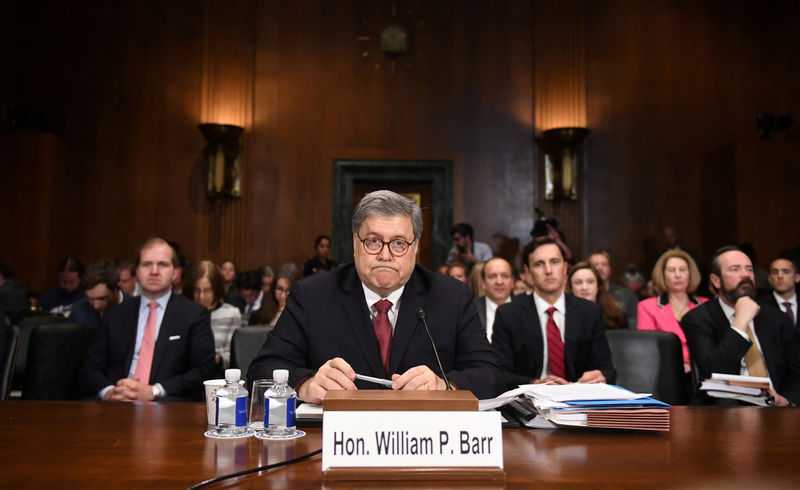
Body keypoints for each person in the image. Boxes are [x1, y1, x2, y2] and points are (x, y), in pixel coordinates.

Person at [247, 190, 501, 403]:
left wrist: (446, 386)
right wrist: (305, 384)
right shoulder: (312, 295)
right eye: (373, 241)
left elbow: (489, 374)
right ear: (356, 244)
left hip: (425, 443)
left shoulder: (450, 297)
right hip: (333, 443)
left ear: (415, 248)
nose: (385, 255)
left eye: (399, 243)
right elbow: (261, 371)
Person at [79, 238, 215, 402]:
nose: (154, 271)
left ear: (175, 273)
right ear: (137, 272)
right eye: (147, 264)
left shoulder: (194, 314)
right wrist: (109, 392)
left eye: (163, 265)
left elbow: (203, 371)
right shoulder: (114, 315)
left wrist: (155, 391)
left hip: (167, 406)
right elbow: (90, 369)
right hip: (116, 404)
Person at [680, 246, 800, 406]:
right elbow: (712, 373)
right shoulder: (698, 319)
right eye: (735, 269)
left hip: (777, 406)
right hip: (728, 408)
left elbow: (796, 373)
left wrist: (785, 400)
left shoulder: (777, 318)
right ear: (716, 281)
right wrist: (740, 323)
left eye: (749, 269)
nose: (745, 275)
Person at [493, 238, 616, 391]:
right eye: (539, 264)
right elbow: (499, 374)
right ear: (528, 273)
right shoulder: (508, 314)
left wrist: (601, 376)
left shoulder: (589, 312)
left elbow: (609, 371)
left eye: (554, 262)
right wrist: (534, 385)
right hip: (528, 404)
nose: (548, 270)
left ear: (565, 268)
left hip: (578, 401)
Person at [637, 250, 707, 373]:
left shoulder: (706, 305)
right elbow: (647, 350)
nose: (678, 275)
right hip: (665, 374)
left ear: (691, 273)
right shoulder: (647, 307)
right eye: (671, 270)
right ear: (662, 275)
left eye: (683, 269)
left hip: (703, 372)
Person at [187, 260, 242, 372]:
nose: (201, 297)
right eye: (197, 291)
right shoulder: (185, 314)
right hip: (189, 376)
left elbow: (234, 357)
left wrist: (215, 358)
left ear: (216, 289)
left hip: (218, 376)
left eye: (207, 291)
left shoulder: (231, 313)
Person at [567, 262, 627, 329]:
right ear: (571, 288)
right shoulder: (562, 318)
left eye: (590, 282)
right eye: (578, 282)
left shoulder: (616, 317)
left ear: (598, 286)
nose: (584, 287)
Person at [588, 251, 638, 329]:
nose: (599, 268)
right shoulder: (583, 293)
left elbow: (634, 324)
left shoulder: (627, 295)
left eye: (604, 264)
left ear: (610, 269)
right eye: (595, 265)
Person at [71, 259, 126, 327]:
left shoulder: (136, 310)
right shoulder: (79, 312)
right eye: (91, 299)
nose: (96, 306)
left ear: (117, 289)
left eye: (101, 298)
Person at [474, 257, 513, 341]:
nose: (499, 282)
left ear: (512, 281)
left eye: (505, 276)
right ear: (483, 283)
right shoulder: (471, 309)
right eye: (492, 277)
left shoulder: (526, 308)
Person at [759, 257, 799, 328]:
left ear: (797, 277)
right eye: (775, 272)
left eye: (786, 272)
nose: (780, 276)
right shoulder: (760, 307)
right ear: (769, 278)